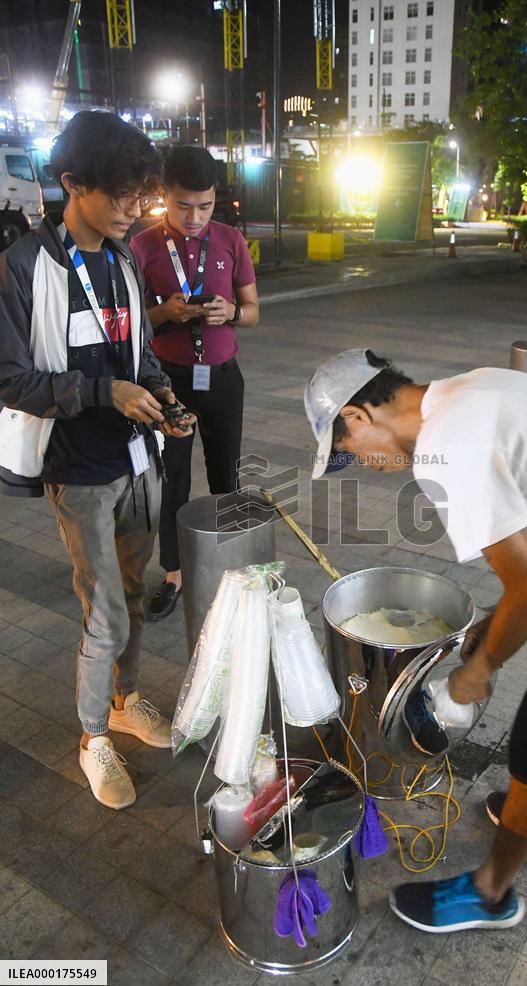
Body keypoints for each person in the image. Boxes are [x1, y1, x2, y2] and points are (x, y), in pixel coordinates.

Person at [304, 347, 527, 933]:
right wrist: (495, 620)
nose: (363, 463)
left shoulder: (447, 451)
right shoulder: (464, 392)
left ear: (358, 416)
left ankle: (492, 893)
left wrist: (473, 675)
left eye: (347, 450)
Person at [0, 111, 196, 810]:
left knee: (136, 599)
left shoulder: (121, 261)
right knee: (105, 612)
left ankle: (125, 700)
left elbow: (140, 356)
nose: (131, 208)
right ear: (70, 184)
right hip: (77, 470)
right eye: (118, 194)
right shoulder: (26, 265)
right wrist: (99, 391)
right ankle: (92, 739)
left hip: (136, 460)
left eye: (138, 193)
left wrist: (164, 396)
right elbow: (8, 375)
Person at [130, 146, 259, 621]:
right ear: (164, 196)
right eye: (183, 205)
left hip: (224, 379)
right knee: (174, 482)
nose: (194, 217)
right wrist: (166, 313)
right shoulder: (142, 246)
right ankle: (174, 575)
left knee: (227, 475)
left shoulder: (229, 239)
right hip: (170, 383)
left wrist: (233, 313)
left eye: (205, 206)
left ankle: (233, 570)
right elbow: (128, 325)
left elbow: (254, 311)